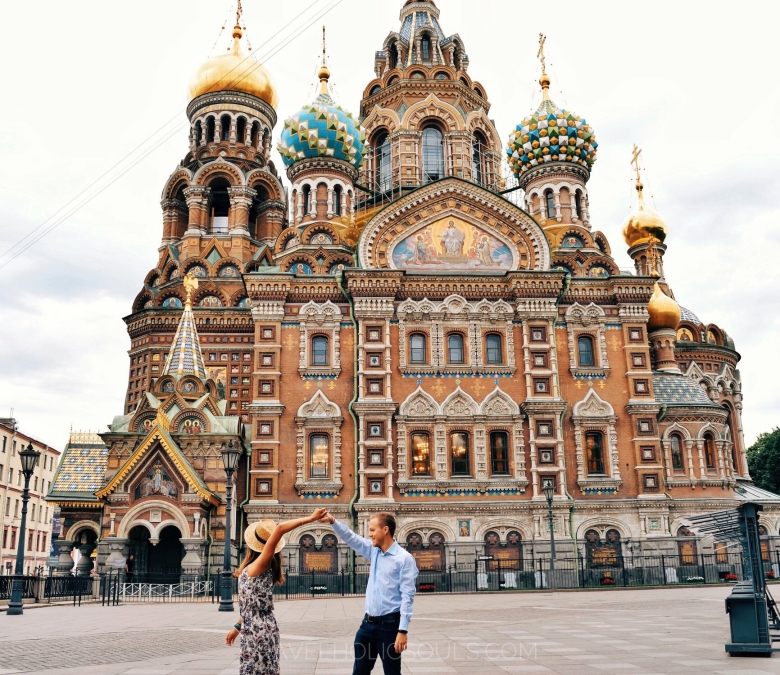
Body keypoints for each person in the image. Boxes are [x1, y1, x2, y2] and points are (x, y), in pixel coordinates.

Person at [225, 508, 328, 675]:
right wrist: (237, 627)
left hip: (258, 630)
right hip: (254, 628)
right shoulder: (253, 568)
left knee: (258, 671)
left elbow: (279, 529)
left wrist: (311, 518)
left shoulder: (260, 565)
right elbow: (249, 604)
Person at [320, 510, 418, 675]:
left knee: (392, 673)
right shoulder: (374, 551)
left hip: (389, 627)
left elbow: (407, 597)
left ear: (385, 530)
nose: (369, 534)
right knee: (359, 671)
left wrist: (402, 631)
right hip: (367, 625)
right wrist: (333, 521)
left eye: (372, 530)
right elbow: (352, 538)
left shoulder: (404, 559)